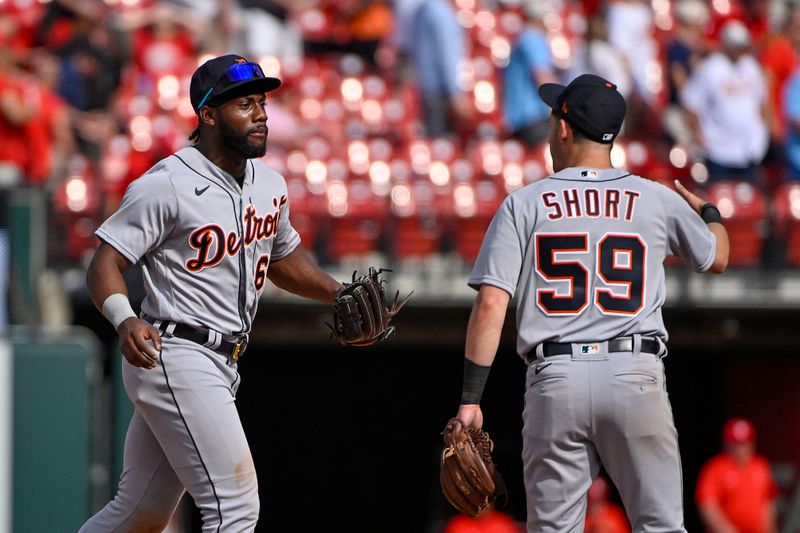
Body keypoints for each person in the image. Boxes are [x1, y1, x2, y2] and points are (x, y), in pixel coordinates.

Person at [450, 73, 730, 532]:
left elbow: (491, 306)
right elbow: (718, 256)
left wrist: (469, 401)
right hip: (635, 372)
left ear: (563, 128)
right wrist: (710, 213)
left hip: (555, 378)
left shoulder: (525, 203)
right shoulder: (654, 197)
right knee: (661, 526)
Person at [79, 54, 345, 532]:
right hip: (174, 351)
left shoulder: (270, 183)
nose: (261, 114)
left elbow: (283, 258)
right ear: (208, 115)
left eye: (261, 103)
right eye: (245, 105)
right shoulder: (167, 183)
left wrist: (337, 293)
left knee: (140, 513)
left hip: (222, 359)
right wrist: (124, 318)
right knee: (235, 506)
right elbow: (105, 263)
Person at [681, 20, 769, 183]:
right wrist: (697, 135)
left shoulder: (751, 67)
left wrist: (762, 132)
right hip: (718, 150)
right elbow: (691, 102)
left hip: (749, 150)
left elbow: (762, 102)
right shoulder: (710, 68)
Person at [695, 417, 779, 533]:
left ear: (752, 444)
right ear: (726, 444)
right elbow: (707, 505)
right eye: (735, 443)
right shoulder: (715, 468)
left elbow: (767, 506)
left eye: (744, 443)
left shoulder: (761, 466)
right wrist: (726, 530)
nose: (740, 449)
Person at [502, 0, 558, 148]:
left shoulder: (522, 37)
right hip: (532, 116)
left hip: (518, 117)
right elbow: (543, 78)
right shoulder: (532, 38)